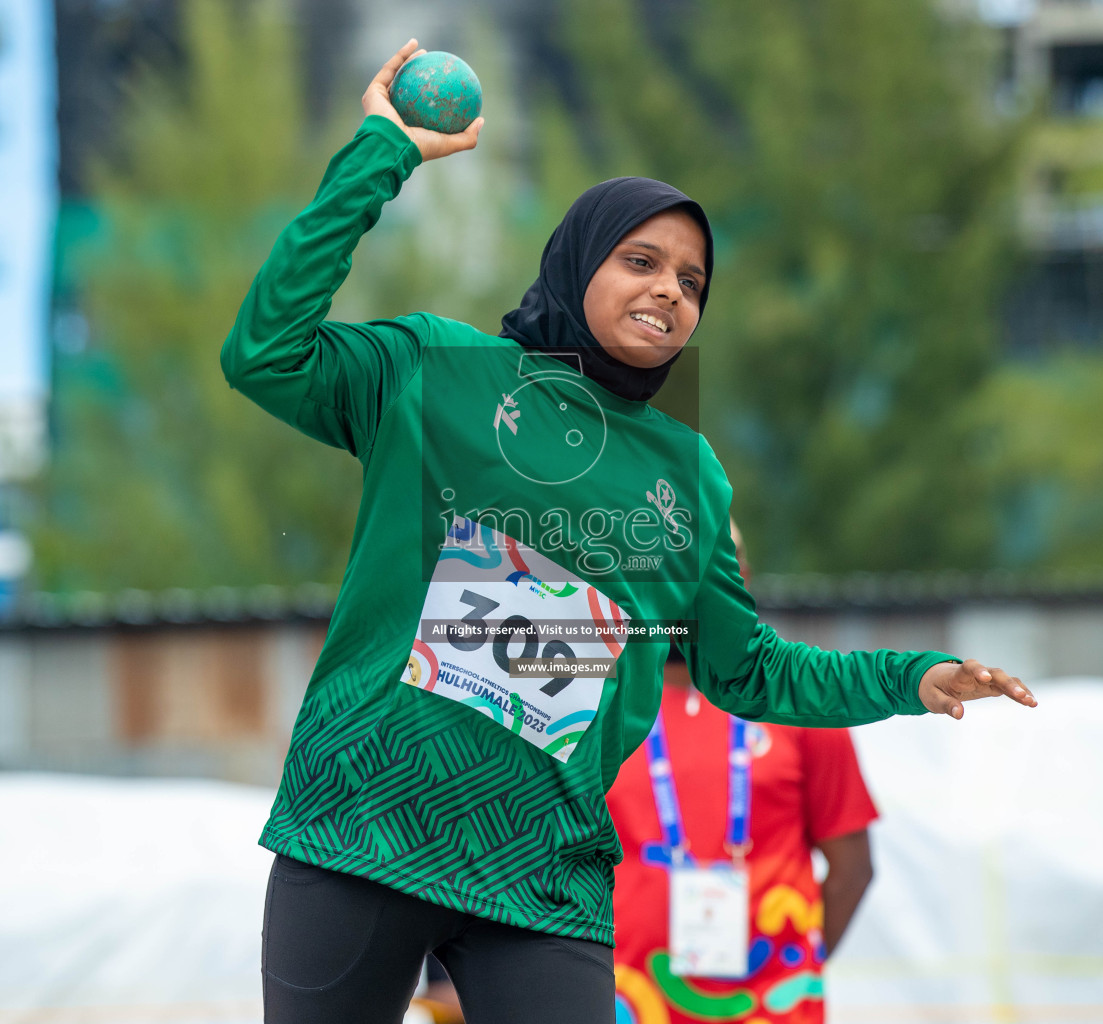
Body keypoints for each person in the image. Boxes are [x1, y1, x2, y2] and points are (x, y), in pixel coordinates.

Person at [222, 40, 1036, 1024]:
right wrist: (381, 155)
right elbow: (264, 352)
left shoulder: (686, 474)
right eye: (641, 262)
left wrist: (910, 678)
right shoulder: (434, 370)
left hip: (542, 867)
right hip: (365, 824)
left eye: (692, 282)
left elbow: (749, 670)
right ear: (576, 263)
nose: (669, 292)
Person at [609, 520, 880, 1024]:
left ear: (741, 580)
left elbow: (852, 867)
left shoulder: (799, 699)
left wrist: (794, 967)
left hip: (775, 1009)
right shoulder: (591, 701)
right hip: (623, 1006)